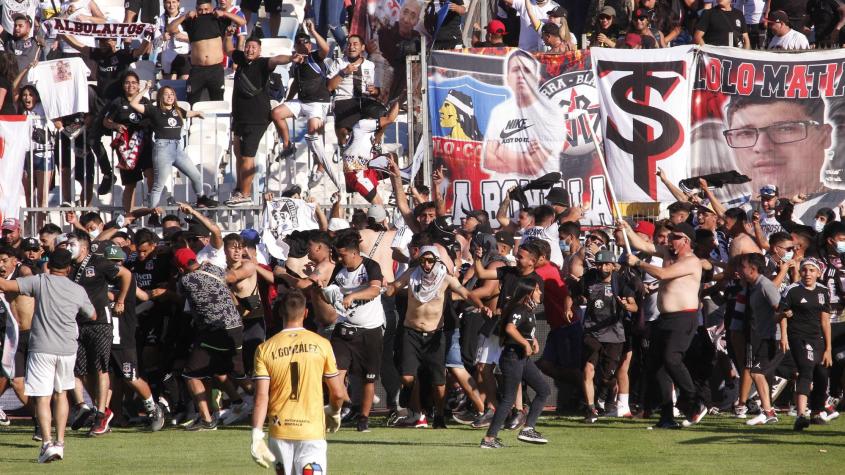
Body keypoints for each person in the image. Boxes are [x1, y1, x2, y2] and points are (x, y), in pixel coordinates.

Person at [0, 248, 95, 463]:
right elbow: (93, 313)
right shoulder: (77, 289)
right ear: (69, 268)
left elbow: (5, 285)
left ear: (48, 265)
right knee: (61, 394)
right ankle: (60, 443)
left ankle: (46, 444)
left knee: (43, 397)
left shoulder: (41, 281)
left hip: (42, 347)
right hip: (68, 348)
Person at [385, 245, 489, 429]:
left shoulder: (445, 278)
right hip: (411, 332)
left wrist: (481, 306)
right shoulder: (412, 273)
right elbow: (395, 286)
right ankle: (418, 414)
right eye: (423, 260)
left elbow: (466, 293)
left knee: (438, 380)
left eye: (430, 260)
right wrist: (389, 289)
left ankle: (439, 415)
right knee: (408, 377)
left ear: (436, 261)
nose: (426, 264)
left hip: (435, 335)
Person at [249, 289, 347, 472]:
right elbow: (339, 392)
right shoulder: (321, 344)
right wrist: (334, 411)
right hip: (311, 430)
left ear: (279, 313)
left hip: (280, 429)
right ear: (306, 312)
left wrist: (256, 434)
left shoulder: (264, 348)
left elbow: (261, 398)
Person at [622, 220, 707, 428]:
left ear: (685, 240)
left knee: (672, 359)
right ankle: (667, 416)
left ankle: (695, 401)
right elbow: (644, 246)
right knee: (657, 368)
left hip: (684, 318)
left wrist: (639, 263)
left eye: (674, 237)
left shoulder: (691, 261)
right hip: (664, 319)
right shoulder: (668, 253)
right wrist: (627, 230)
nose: (669, 240)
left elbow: (663, 274)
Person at [174, 245, 246, 431]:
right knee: (229, 371)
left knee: (190, 374)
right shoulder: (213, 268)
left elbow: (180, 299)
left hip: (214, 330)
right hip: (236, 325)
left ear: (180, 268)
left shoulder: (185, 280)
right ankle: (244, 402)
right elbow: (226, 278)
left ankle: (207, 420)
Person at [224, 35, 295, 206]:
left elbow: (277, 60)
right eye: (248, 47)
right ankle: (240, 187)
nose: (250, 50)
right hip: (240, 118)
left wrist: (292, 57)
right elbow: (228, 50)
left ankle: (245, 194)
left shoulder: (263, 63)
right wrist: (227, 35)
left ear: (259, 50)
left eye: (254, 47)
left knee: (248, 155)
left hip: (256, 118)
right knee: (238, 152)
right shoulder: (241, 59)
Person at [480, 277, 550, 448]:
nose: (540, 292)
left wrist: (532, 339)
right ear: (528, 293)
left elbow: (521, 328)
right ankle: (489, 439)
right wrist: (525, 343)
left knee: (543, 389)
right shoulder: (520, 309)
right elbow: (510, 328)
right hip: (512, 357)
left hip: (521, 359)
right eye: (537, 290)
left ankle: (528, 429)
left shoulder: (528, 309)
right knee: (508, 399)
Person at [325, 230, 385, 431]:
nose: (339, 259)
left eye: (342, 255)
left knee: (369, 378)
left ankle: (363, 419)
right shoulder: (339, 270)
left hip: (370, 330)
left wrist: (353, 296)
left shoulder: (370, 266)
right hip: (344, 329)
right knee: (334, 373)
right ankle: (343, 407)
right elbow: (332, 292)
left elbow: (375, 290)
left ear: (353, 253)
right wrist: (324, 292)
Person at [269, 21, 339, 192]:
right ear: (295, 46)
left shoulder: (316, 56)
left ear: (310, 44)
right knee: (277, 113)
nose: (303, 45)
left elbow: (326, 49)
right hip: (302, 101)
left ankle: (320, 166)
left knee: (313, 131)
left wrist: (313, 31)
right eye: (299, 42)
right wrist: (288, 99)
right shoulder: (296, 62)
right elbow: (296, 84)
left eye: (306, 42)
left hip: (318, 102)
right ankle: (287, 145)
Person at [722, 96, 832, 200]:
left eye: (785, 129)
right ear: (730, 141)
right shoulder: (719, 212)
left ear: (824, 137)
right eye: (745, 133)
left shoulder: (841, 205)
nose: (762, 147)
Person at [128, 82, 216, 209]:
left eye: (172, 94)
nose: (170, 97)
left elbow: (188, 113)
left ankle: (201, 198)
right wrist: (145, 89)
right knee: (159, 184)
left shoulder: (178, 110)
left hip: (177, 148)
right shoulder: (154, 109)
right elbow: (134, 104)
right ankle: (153, 212)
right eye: (166, 94)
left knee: (195, 175)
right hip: (162, 148)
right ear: (160, 97)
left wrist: (197, 112)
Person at [575, 250, 637, 423]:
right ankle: (590, 409)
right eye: (599, 264)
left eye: (606, 264)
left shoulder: (620, 282)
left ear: (612, 265)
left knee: (607, 377)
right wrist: (571, 304)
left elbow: (635, 306)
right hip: (591, 332)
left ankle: (612, 390)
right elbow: (574, 294)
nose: (602, 267)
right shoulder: (588, 278)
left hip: (614, 334)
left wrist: (626, 305)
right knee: (588, 370)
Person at [482, 50, 566, 177]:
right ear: (507, 78)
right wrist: (524, 158)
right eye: (515, 70)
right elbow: (488, 161)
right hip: (505, 191)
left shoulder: (552, 112)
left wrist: (499, 150)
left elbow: (533, 167)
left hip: (540, 190)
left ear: (536, 78)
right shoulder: (499, 112)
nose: (521, 75)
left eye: (526, 70)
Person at [781, 258, 835, 430]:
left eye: (812, 270)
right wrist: (783, 336)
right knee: (806, 369)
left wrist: (828, 348)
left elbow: (825, 321)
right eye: (804, 270)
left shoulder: (824, 291)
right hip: (798, 337)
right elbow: (780, 315)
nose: (808, 274)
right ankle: (800, 415)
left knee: (822, 374)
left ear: (819, 273)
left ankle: (816, 412)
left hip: (817, 338)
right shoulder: (792, 290)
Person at [167, 0, 246, 104]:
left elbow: (242, 22)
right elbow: (170, 28)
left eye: (206, 9)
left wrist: (224, 13)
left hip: (216, 70)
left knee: (217, 102)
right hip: (197, 70)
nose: (203, 12)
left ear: (212, 8)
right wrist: (185, 16)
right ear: (196, 9)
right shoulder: (191, 20)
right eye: (200, 10)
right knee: (192, 101)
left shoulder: (219, 19)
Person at [738, 252, 784, 426]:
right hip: (764, 338)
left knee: (756, 372)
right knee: (792, 372)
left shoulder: (765, 286)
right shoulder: (755, 286)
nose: (739, 270)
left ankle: (768, 412)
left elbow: (782, 311)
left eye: (742, 267)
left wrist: (783, 337)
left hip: (774, 339)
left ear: (753, 269)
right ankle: (769, 412)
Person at [102, 71, 155, 213]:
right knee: (130, 184)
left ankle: (152, 211)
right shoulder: (117, 102)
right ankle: (129, 216)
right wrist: (116, 125)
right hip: (127, 148)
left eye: (134, 82)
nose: (130, 85)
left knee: (151, 175)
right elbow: (106, 121)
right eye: (127, 82)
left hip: (145, 144)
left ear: (138, 86)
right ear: (123, 85)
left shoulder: (145, 101)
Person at [341, 102, 400, 205]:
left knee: (392, 157)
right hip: (356, 170)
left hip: (365, 166)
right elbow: (390, 119)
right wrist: (398, 100)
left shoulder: (367, 130)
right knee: (378, 204)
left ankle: (395, 192)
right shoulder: (362, 124)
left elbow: (381, 131)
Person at [327, 34, 380, 145]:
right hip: (344, 100)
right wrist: (343, 72)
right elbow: (329, 87)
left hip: (365, 100)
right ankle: (343, 147)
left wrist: (374, 90)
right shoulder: (339, 63)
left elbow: (377, 91)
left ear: (363, 47)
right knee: (343, 131)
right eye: (349, 44)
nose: (351, 47)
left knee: (384, 116)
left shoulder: (370, 65)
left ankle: (376, 143)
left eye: (355, 44)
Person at [159, 0, 192, 80]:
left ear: (178, 3)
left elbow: (196, 38)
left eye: (174, 2)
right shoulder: (160, 19)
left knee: (184, 83)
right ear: (164, 3)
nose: (171, 5)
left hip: (183, 57)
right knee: (168, 86)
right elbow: (155, 42)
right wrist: (161, 38)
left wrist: (185, 37)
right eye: (168, 2)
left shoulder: (186, 18)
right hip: (167, 58)